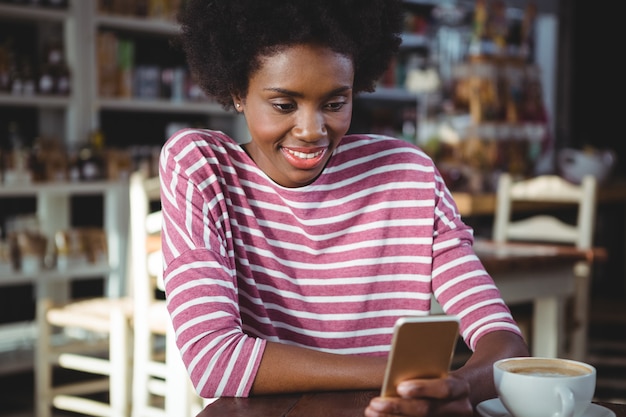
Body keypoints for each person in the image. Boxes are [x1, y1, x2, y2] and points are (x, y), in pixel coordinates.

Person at [159, 1, 529, 416]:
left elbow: (503, 341)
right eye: (284, 105)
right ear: (237, 92)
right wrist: (401, 375)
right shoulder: (201, 167)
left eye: (335, 104)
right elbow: (214, 362)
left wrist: (452, 387)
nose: (312, 131)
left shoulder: (406, 174)